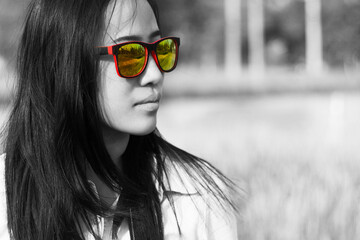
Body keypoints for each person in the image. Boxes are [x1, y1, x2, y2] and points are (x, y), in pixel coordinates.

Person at [0, 0, 239, 239]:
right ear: (64, 62)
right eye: (131, 54)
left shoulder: (197, 199)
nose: (155, 74)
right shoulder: (6, 200)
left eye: (161, 50)